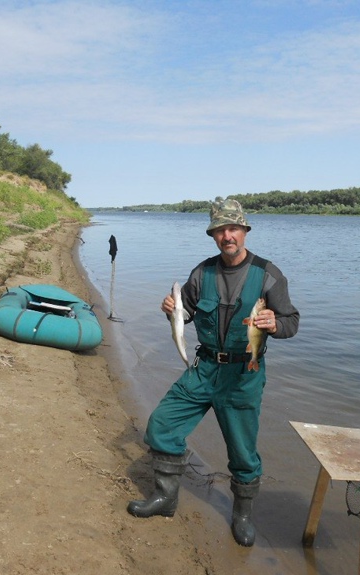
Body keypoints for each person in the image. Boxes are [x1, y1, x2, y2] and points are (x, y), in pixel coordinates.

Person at [127, 197, 300, 547]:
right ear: (213, 235)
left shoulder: (268, 274)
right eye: (220, 230)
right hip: (203, 367)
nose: (227, 236)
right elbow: (186, 314)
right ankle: (165, 498)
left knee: (243, 452)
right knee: (162, 424)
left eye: (233, 229)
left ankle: (242, 515)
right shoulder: (202, 273)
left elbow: (291, 322)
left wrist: (274, 324)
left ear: (245, 231)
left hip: (244, 374)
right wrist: (171, 309)